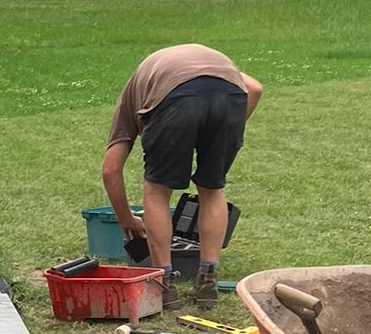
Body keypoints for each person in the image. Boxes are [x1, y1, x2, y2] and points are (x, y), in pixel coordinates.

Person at [101, 43, 263, 307]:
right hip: (232, 94)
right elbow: (254, 89)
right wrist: (220, 133)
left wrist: (126, 219)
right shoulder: (168, 69)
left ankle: (165, 284)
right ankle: (207, 281)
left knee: (157, 192)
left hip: (175, 97)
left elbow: (110, 169)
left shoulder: (132, 97)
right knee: (212, 189)